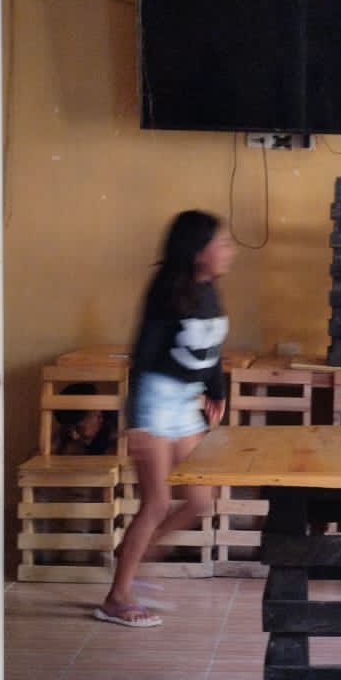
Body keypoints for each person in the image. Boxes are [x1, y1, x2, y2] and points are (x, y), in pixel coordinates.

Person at [95, 210, 233, 629]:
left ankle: (134, 554)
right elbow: (142, 355)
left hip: (186, 402)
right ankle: (117, 597)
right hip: (154, 401)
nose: (229, 251)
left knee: (199, 499)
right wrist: (136, 421)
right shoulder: (165, 290)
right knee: (156, 503)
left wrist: (217, 391)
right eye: (222, 244)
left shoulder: (209, 289)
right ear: (198, 251)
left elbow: (210, 348)